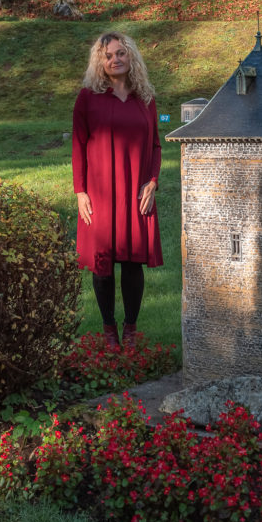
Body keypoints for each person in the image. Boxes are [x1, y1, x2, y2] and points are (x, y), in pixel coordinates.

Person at [72, 32, 162, 349]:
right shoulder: (87, 98)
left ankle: (131, 329)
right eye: (108, 55)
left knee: (133, 262)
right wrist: (80, 191)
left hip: (137, 191)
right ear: (101, 61)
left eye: (121, 53)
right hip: (100, 192)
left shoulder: (145, 99)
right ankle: (109, 329)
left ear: (131, 57)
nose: (115, 59)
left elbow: (155, 146)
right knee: (103, 261)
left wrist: (152, 182)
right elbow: (78, 146)